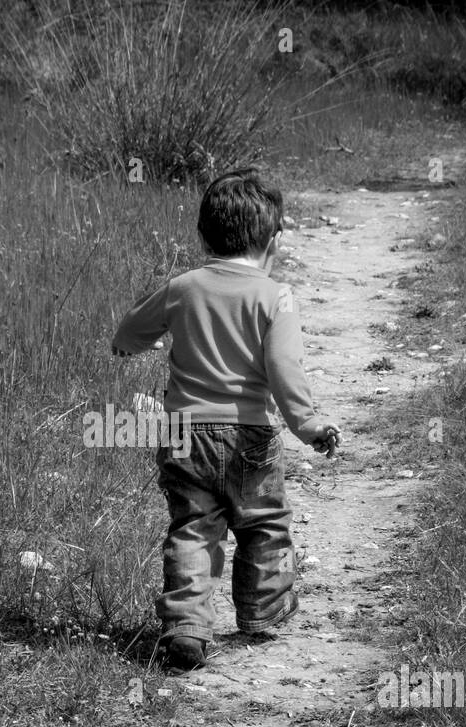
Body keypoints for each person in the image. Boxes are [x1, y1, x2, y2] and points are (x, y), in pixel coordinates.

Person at [111, 167, 341, 669]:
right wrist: (308, 425)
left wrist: (127, 346)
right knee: (264, 524)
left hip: (184, 435)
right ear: (273, 238)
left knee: (194, 527)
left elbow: (130, 329)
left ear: (203, 234)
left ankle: (188, 628)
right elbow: (284, 369)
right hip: (252, 437)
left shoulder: (182, 287)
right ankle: (264, 610)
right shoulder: (274, 296)